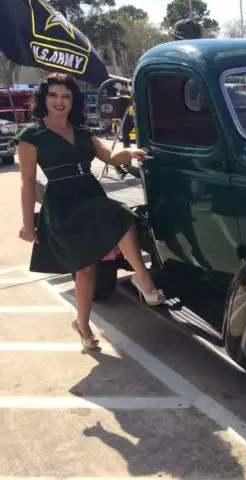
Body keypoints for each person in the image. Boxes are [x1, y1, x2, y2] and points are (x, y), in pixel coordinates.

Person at [15, 73, 165, 351]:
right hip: (64, 205)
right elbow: (26, 182)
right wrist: (28, 224)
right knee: (88, 265)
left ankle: (136, 280)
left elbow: (110, 157)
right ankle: (87, 323)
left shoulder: (83, 132)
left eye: (66, 96)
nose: (60, 101)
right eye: (54, 95)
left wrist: (132, 153)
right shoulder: (32, 136)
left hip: (90, 195)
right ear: (44, 99)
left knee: (111, 231)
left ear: (74, 101)